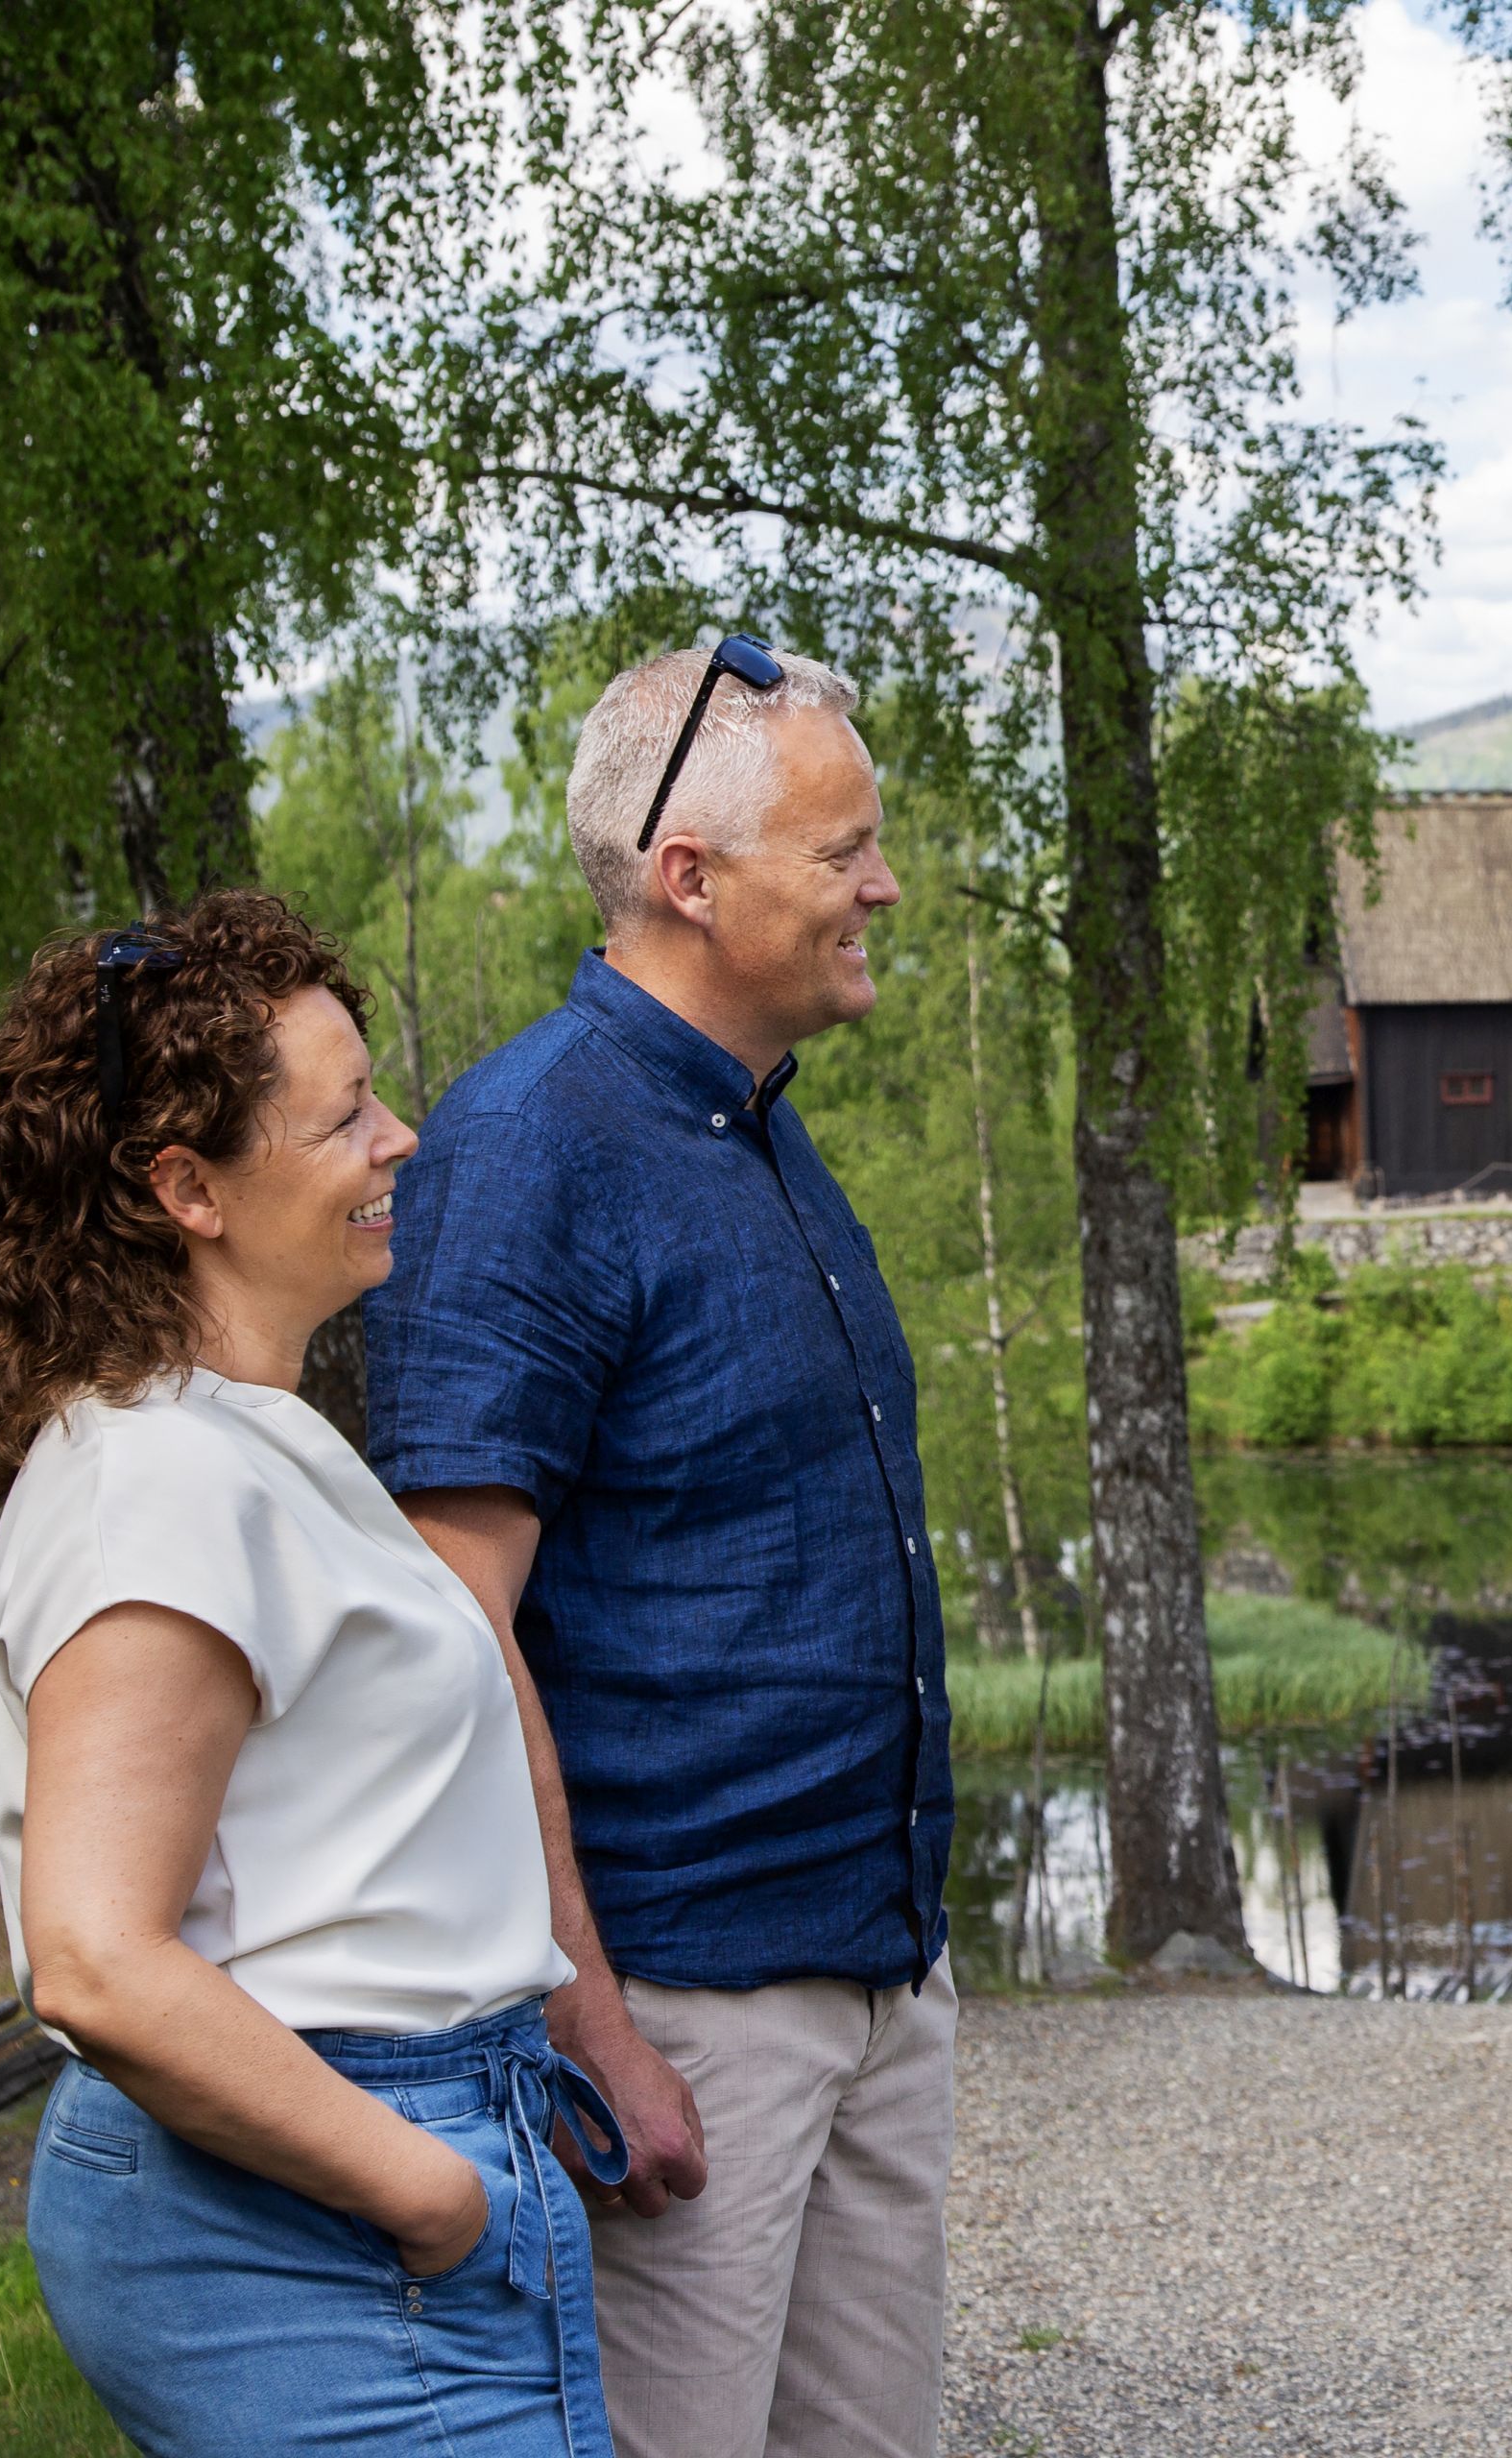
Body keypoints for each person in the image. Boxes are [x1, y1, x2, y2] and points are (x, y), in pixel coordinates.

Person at [0, 890, 624, 2458]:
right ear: (189, 1187)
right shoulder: (159, 1480)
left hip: (376, 2152)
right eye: (344, 1117)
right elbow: (98, 1958)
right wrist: (430, 2193)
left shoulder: (252, 1436)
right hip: (325, 2189)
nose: (402, 1138)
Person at [366, 639, 955, 2458]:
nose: (883, 885)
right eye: (844, 849)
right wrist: (592, 2026)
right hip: (686, 2007)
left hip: (874, 1973)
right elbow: (450, 1641)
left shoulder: (763, 1134)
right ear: (689, 880)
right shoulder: (530, 1144)